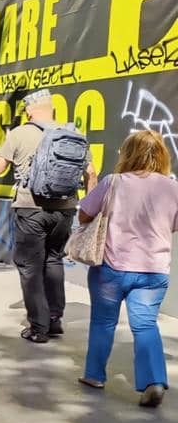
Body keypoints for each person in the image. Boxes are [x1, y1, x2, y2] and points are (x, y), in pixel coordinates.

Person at [76, 130, 178, 407]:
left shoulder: (113, 182)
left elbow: (84, 214)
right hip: (154, 271)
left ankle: (94, 375)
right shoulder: (172, 187)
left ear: (128, 154)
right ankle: (154, 381)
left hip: (111, 268)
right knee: (145, 324)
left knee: (103, 321)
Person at [0, 89, 97, 343]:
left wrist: (7, 149)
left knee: (30, 267)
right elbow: (91, 173)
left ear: (29, 111)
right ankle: (54, 319)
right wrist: (88, 208)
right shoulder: (74, 134)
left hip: (31, 208)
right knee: (54, 260)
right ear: (52, 109)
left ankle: (38, 327)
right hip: (65, 209)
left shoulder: (20, 133)